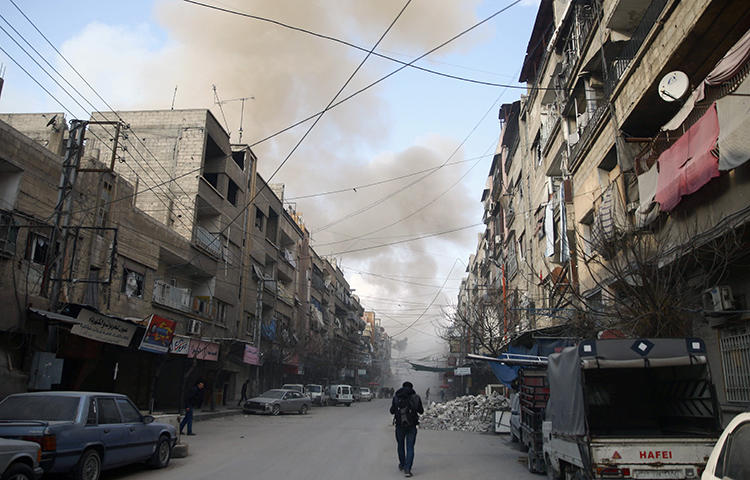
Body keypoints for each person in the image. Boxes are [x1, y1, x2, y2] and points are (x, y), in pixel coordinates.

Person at [390, 381, 424, 477]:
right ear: (412, 388)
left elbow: (392, 411)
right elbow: (421, 411)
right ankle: (407, 469)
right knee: (410, 447)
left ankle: (402, 464)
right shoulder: (416, 397)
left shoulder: (396, 397)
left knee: (400, 445)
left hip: (399, 426)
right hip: (412, 426)